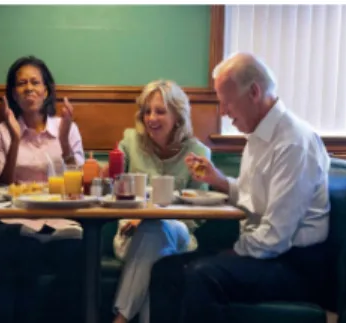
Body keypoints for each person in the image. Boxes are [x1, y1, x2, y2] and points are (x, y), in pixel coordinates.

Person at [149, 53, 332, 323]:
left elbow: (276, 235)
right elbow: (255, 197)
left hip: (295, 263)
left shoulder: (293, 142)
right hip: (268, 252)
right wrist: (221, 182)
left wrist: (234, 250)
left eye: (227, 102)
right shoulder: (258, 136)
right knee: (165, 269)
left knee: (201, 275)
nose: (223, 112)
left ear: (254, 92)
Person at [105, 80, 211, 323]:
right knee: (152, 245)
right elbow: (113, 187)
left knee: (155, 227)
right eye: (147, 111)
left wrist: (157, 217)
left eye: (160, 111)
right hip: (130, 234)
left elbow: (200, 212)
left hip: (180, 236)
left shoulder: (198, 152)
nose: (151, 118)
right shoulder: (129, 142)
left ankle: (120, 318)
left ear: (178, 116)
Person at [0, 55, 85, 323]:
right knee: (17, 254)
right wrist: (16, 141)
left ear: (46, 90)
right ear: (13, 93)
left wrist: (65, 140)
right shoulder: (1, 131)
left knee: (78, 255)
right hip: (16, 220)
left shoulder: (67, 127)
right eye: (21, 83)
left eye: (35, 82)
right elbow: (0, 186)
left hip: (62, 219)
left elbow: (77, 184)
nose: (28, 88)